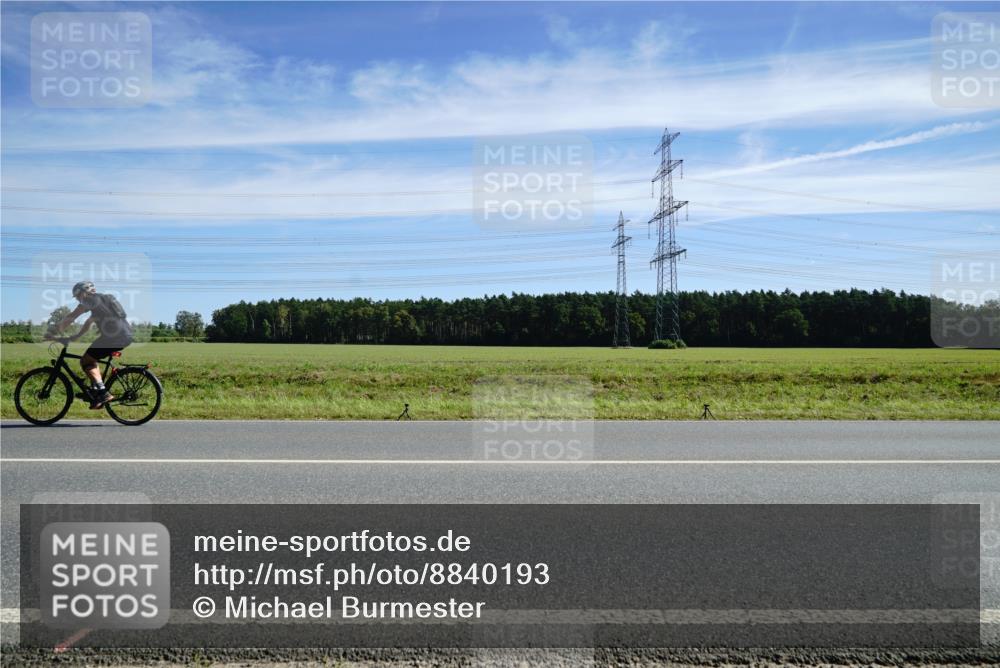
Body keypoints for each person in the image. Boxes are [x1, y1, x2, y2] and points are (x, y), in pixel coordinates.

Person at [48, 281, 133, 409]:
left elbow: (72, 316)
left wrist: (53, 332)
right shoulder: (103, 300)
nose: (78, 299)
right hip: (126, 335)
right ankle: (97, 394)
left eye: (77, 296)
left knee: (85, 361)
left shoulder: (90, 300)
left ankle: (103, 393)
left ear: (84, 293)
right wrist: (74, 337)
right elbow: (88, 323)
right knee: (92, 359)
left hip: (112, 338)